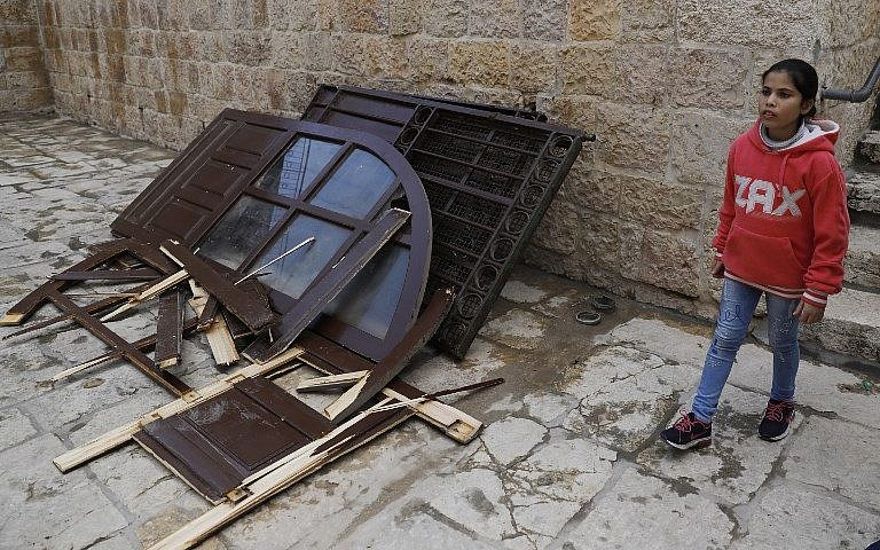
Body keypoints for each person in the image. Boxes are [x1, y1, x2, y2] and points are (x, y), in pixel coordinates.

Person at [661, 59, 850, 450]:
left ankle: (781, 400)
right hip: (741, 269)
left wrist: (819, 288)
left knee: (782, 343)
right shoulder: (740, 148)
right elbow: (732, 205)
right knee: (725, 337)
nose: (771, 101)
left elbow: (833, 232)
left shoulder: (820, 164)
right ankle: (700, 418)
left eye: (784, 94)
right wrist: (723, 246)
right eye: (765, 91)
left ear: (806, 105)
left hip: (788, 279)